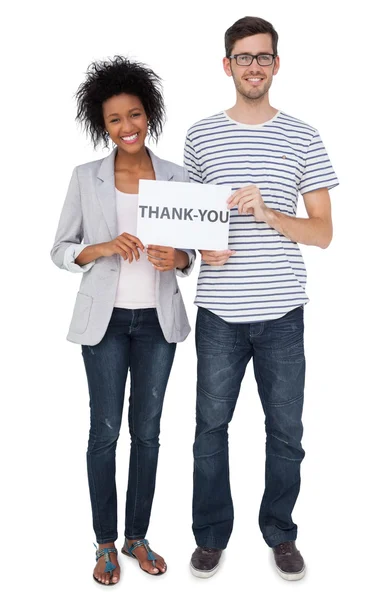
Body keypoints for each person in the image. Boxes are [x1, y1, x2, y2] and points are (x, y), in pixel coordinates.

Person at [184, 16, 338, 580]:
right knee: (208, 430)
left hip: (281, 313)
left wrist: (270, 214)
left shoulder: (303, 136)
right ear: (228, 65)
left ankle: (280, 532)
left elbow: (323, 232)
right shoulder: (200, 135)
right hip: (219, 311)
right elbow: (189, 225)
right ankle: (209, 536)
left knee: (286, 433)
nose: (254, 66)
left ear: (276, 64)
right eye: (243, 57)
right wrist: (205, 250)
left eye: (263, 57)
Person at [51, 56, 195, 585]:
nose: (127, 127)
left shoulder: (177, 176)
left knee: (149, 433)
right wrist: (101, 247)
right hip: (105, 323)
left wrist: (177, 258)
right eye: (115, 119)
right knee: (105, 431)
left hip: (158, 322)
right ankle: (105, 543)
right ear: (102, 124)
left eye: (135, 114)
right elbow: (60, 250)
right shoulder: (85, 178)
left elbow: (192, 253)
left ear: (149, 115)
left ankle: (137, 537)